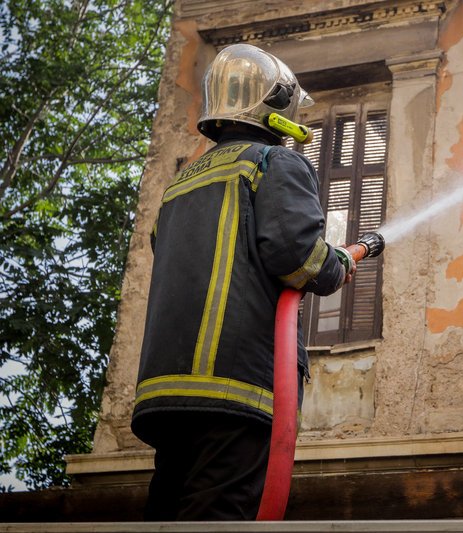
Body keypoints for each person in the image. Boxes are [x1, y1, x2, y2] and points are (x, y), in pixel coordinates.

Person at [130, 44, 350, 521]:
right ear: (276, 104)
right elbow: (299, 259)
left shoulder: (178, 187)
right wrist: (337, 263)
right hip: (236, 388)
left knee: (168, 514)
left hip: (167, 394)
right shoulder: (273, 163)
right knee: (219, 517)